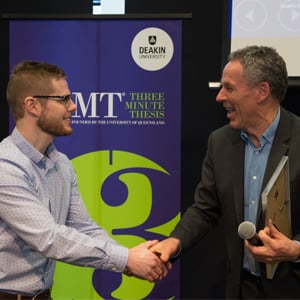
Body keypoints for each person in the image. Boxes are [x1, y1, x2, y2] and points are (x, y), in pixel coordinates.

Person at [0, 60, 169, 300]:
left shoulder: (62, 164)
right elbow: (48, 238)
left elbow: (83, 227)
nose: (74, 107)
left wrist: (128, 257)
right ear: (32, 105)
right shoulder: (5, 165)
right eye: (64, 100)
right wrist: (127, 259)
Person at [150, 45, 300, 299]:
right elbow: (204, 208)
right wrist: (173, 242)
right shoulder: (220, 142)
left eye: (229, 88)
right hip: (242, 288)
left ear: (261, 91)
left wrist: (296, 250)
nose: (219, 97)